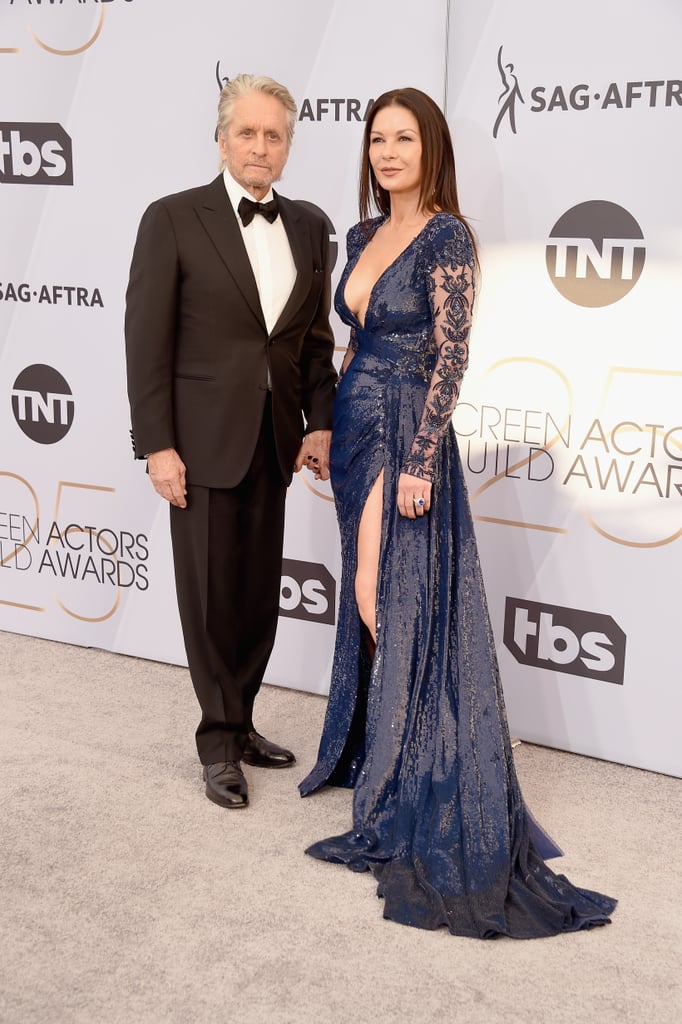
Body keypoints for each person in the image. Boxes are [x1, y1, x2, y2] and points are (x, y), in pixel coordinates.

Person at [299, 87, 617, 938]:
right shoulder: (365, 234)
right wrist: (326, 429)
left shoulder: (447, 234)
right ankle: (387, 755)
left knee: (388, 599)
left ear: (430, 149)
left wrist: (421, 458)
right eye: (377, 140)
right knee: (370, 601)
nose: (388, 153)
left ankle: (414, 774)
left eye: (404, 139)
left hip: (408, 433)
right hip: (357, 424)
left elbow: (452, 351)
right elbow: (351, 340)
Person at [125, 74, 337, 810]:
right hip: (201, 445)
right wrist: (157, 444)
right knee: (209, 601)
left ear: (287, 146)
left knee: (253, 599)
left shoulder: (310, 226)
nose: (259, 146)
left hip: (274, 444)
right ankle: (217, 742)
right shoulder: (173, 219)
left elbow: (313, 343)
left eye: (273, 135)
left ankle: (242, 722)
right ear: (222, 141)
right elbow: (145, 342)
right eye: (246, 133)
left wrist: (321, 423)